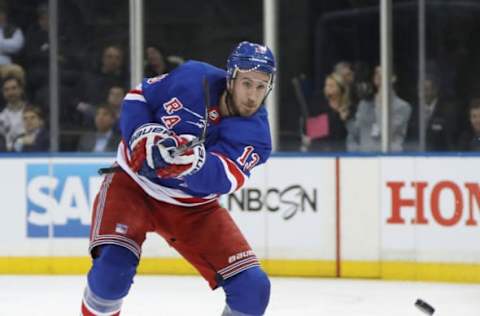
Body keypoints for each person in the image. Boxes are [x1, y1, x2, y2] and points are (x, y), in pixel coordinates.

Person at [80, 41, 276, 316]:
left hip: (193, 209)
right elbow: (138, 97)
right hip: (133, 187)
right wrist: (142, 135)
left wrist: (191, 164)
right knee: (112, 274)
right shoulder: (193, 76)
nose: (253, 96)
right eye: (247, 83)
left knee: (253, 289)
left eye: (261, 86)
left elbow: (223, 178)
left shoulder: (256, 135)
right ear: (231, 77)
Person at [346, 65, 412, 152]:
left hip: (388, 158)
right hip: (363, 158)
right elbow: (356, 133)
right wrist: (347, 119)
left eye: (382, 72)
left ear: (393, 78)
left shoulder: (402, 106)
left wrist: (380, 104)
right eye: (376, 72)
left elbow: (386, 132)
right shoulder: (364, 104)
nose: (378, 75)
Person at [0, 76, 28, 151]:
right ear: (3, 93)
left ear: (21, 89)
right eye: (6, 90)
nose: (10, 93)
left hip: (28, 152)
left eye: (14, 88)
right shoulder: (1, 115)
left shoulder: (32, 112)